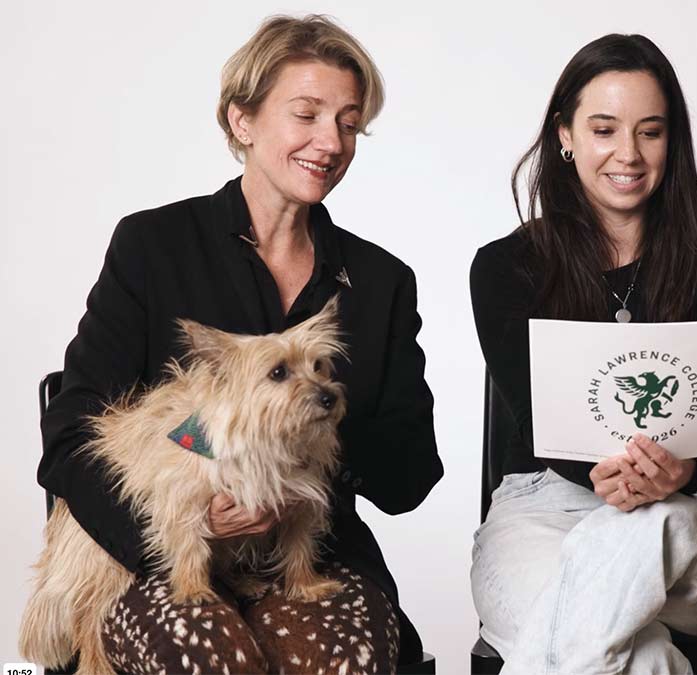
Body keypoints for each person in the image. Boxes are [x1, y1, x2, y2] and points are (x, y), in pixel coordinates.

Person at [37, 14, 442, 674]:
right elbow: (71, 435)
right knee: (208, 656)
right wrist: (186, 517)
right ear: (242, 121)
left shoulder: (379, 282)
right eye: (306, 114)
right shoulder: (154, 247)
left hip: (311, 555)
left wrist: (317, 431)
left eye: (347, 122)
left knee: (337, 659)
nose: (330, 141)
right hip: (161, 553)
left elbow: (412, 476)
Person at [469, 33, 697, 674]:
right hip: (543, 515)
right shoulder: (504, 268)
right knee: (639, 655)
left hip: (686, 524)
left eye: (650, 132)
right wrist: (604, 473)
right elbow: (538, 421)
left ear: (671, 141)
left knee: (646, 534)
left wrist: (676, 474)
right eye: (604, 129)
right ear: (565, 135)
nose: (627, 154)